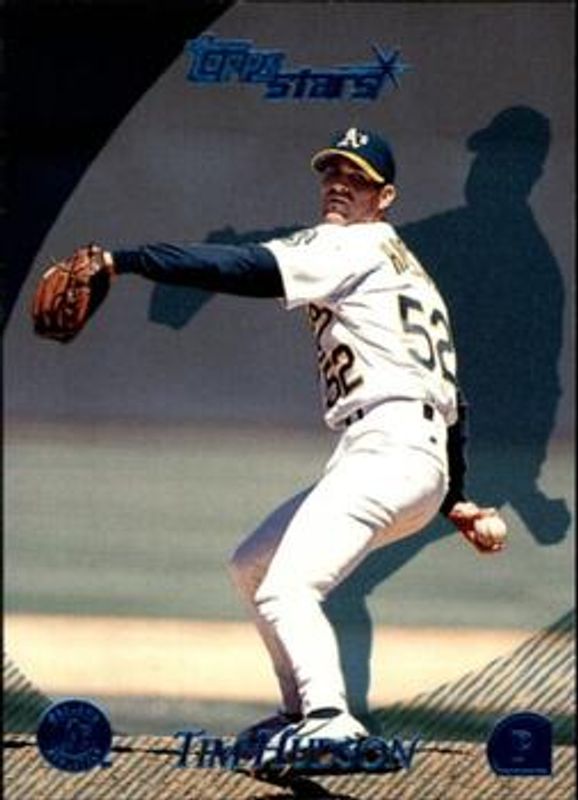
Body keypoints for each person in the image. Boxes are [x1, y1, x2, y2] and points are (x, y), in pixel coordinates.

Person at [94, 128, 508, 754]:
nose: (339, 184)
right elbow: (451, 394)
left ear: (385, 196)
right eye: (332, 172)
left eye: (358, 178)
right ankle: (296, 715)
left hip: (388, 449)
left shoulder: (352, 244)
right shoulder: (410, 271)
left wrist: (125, 260)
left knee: (288, 589)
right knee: (252, 564)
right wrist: (456, 498)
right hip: (403, 456)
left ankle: (330, 719)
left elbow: (243, 267)